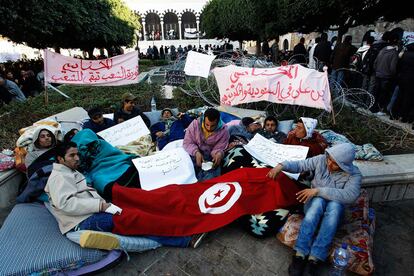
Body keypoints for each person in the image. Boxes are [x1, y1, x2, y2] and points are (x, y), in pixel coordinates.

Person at [44, 142, 205, 250]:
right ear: (60, 159)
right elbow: (66, 204)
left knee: (139, 209)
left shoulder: (68, 171)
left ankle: (181, 227)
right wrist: (100, 206)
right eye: (72, 156)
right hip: (83, 221)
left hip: (94, 211)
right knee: (134, 218)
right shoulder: (59, 177)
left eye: (77, 154)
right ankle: (185, 240)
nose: (77, 158)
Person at [267, 143, 361, 276]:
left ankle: (315, 258)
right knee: (318, 202)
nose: (329, 164)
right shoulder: (321, 160)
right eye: (329, 159)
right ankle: (300, 253)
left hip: (334, 216)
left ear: (344, 165)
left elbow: (350, 195)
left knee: (334, 205)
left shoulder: (354, 174)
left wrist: (318, 190)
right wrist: (282, 165)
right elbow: (300, 165)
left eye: (335, 164)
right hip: (313, 209)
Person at [183, 108, 229, 180]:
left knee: (212, 177)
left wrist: (218, 154)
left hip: (210, 158)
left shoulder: (224, 130)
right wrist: (196, 152)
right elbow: (187, 142)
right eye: (207, 124)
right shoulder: (195, 125)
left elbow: (220, 147)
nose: (209, 128)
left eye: (213, 126)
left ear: (218, 122)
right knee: (187, 173)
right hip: (193, 154)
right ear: (204, 119)